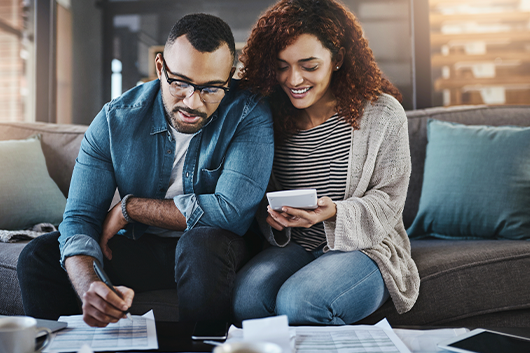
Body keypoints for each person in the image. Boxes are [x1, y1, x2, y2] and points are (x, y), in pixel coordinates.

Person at [17, 13, 274, 327]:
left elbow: (231, 212)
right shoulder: (115, 120)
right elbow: (80, 218)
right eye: (179, 83)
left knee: (201, 245)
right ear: (160, 68)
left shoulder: (248, 113)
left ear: (229, 76)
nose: (192, 102)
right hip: (145, 248)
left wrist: (131, 208)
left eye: (211, 89)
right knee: (37, 257)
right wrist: (90, 287)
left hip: (215, 249)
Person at [232, 0, 420, 325]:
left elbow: (389, 200)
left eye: (309, 65)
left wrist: (336, 212)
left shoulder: (382, 114)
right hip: (298, 244)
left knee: (301, 302)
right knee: (246, 300)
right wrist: (272, 220)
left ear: (337, 59)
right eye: (281, 66)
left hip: (366, 248)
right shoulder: (268, 117)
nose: (293, 79)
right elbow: (257, 190)